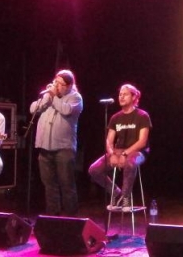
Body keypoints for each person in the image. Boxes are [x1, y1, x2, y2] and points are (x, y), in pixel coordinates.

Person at [88, 84, 151, 212]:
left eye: (125, 94)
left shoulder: (142, 115)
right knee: (94, 170)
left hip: (139, 152)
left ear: (134, 97)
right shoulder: (115, 117)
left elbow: (142, 141)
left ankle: (126, 197)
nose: (121, 97)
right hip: (118, 151)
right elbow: (109, 140)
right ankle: (116, 192)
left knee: (130, 163)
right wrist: (111, 154)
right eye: (120, 94)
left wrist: (125, 154)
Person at [29, 69, 84, 216]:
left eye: (60, 84)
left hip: (64, 149)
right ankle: (53, 217)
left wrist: (53, 96)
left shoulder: (75, 97)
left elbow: (66, 110)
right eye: (55, 82)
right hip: (45, 148)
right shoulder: (49, 96)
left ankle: (71, 218)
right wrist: (47, 97)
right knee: (49, 185)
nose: (56, 86)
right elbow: (33, 109)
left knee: (67, 185)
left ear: (69, 85)